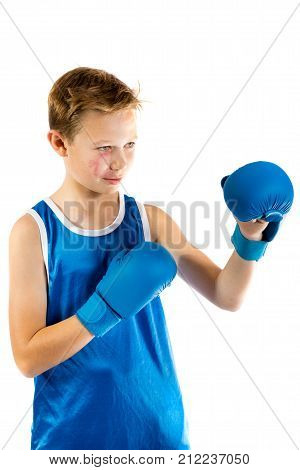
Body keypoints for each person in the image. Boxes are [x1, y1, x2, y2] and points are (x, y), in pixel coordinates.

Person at [8, 67, 291, 450]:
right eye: (104, 147)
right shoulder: (34, 231)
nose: (120, 162)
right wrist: (105, 308)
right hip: (69, 441)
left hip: (159, 435)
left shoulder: (150, 221)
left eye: (130, 145)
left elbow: (226, 294)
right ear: (60, 143)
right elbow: (27, 359)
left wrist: (250, 237)